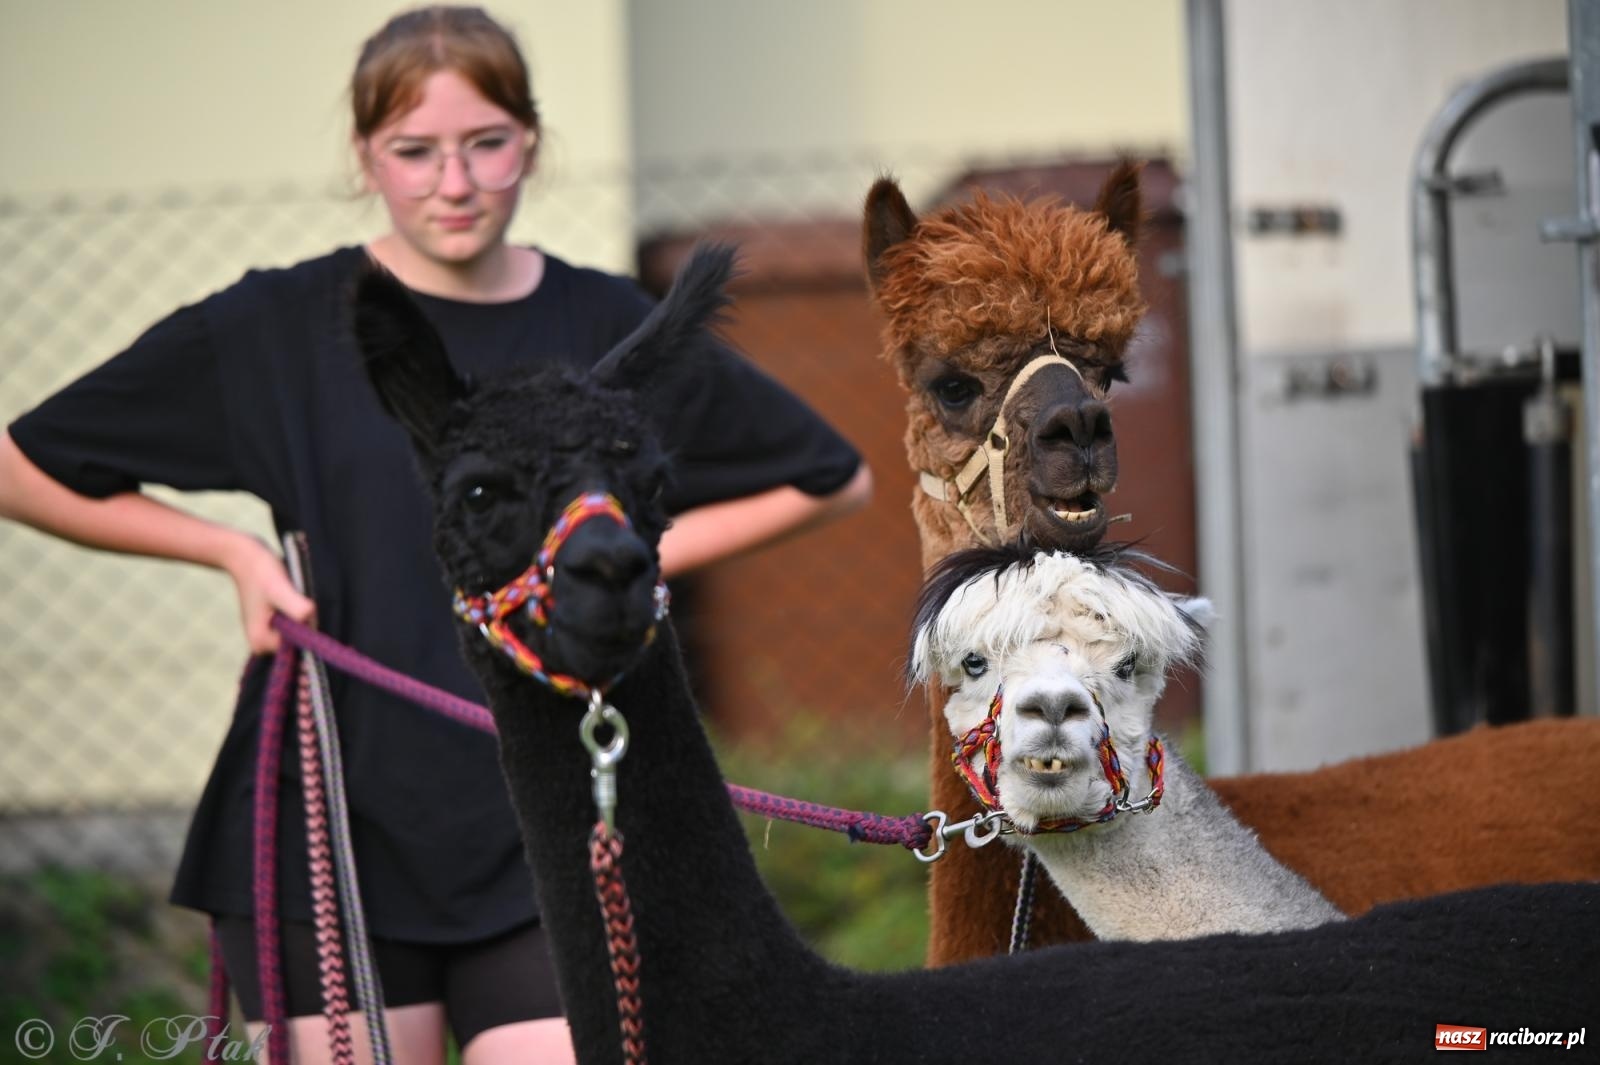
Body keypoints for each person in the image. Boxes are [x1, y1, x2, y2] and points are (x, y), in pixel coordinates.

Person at [0, 7, 871, 1064]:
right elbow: (24, 463)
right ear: (365, 157)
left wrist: (622, 570)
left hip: (543, 831)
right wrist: (229, 554)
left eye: (486, 145)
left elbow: (833, 478)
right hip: (331, 821)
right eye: (414, 152)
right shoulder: (280, 326)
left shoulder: (600, 323)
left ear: (532, 146)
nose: (453, 183)